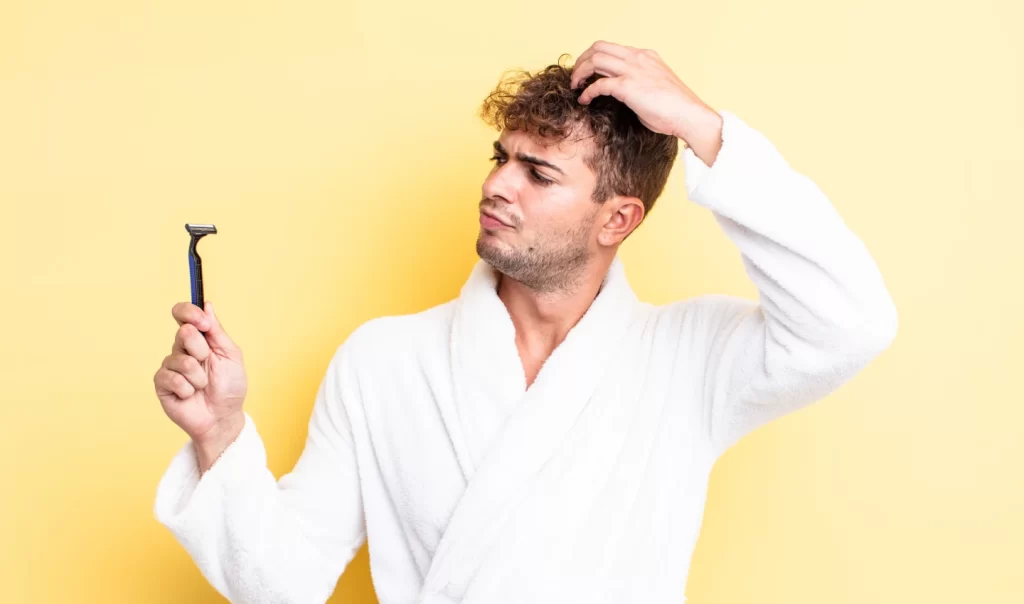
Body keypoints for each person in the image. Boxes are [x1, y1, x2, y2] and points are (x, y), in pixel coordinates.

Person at [153, 40, 898, 604]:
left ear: (619, 218)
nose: (496, 184)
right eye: (501, 157)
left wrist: (708, 131)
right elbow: (284, 581)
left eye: (538, 174)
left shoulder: (689, 362)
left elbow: (850, 323)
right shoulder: (382, 361)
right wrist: (219, 433)